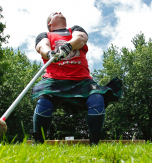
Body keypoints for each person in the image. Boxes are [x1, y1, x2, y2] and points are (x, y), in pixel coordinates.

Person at [31, 12, 122, 145]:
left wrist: (68, 46)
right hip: (54, 79)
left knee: (97, 98)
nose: (59, 12)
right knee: (44, 102)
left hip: (82, 80)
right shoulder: (45, 35)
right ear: (49, 23)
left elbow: (80, 39)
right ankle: (37, 143)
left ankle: (94, 144)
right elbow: (42, 47)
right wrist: (50, 53)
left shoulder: (74, 30)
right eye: (54, 13)